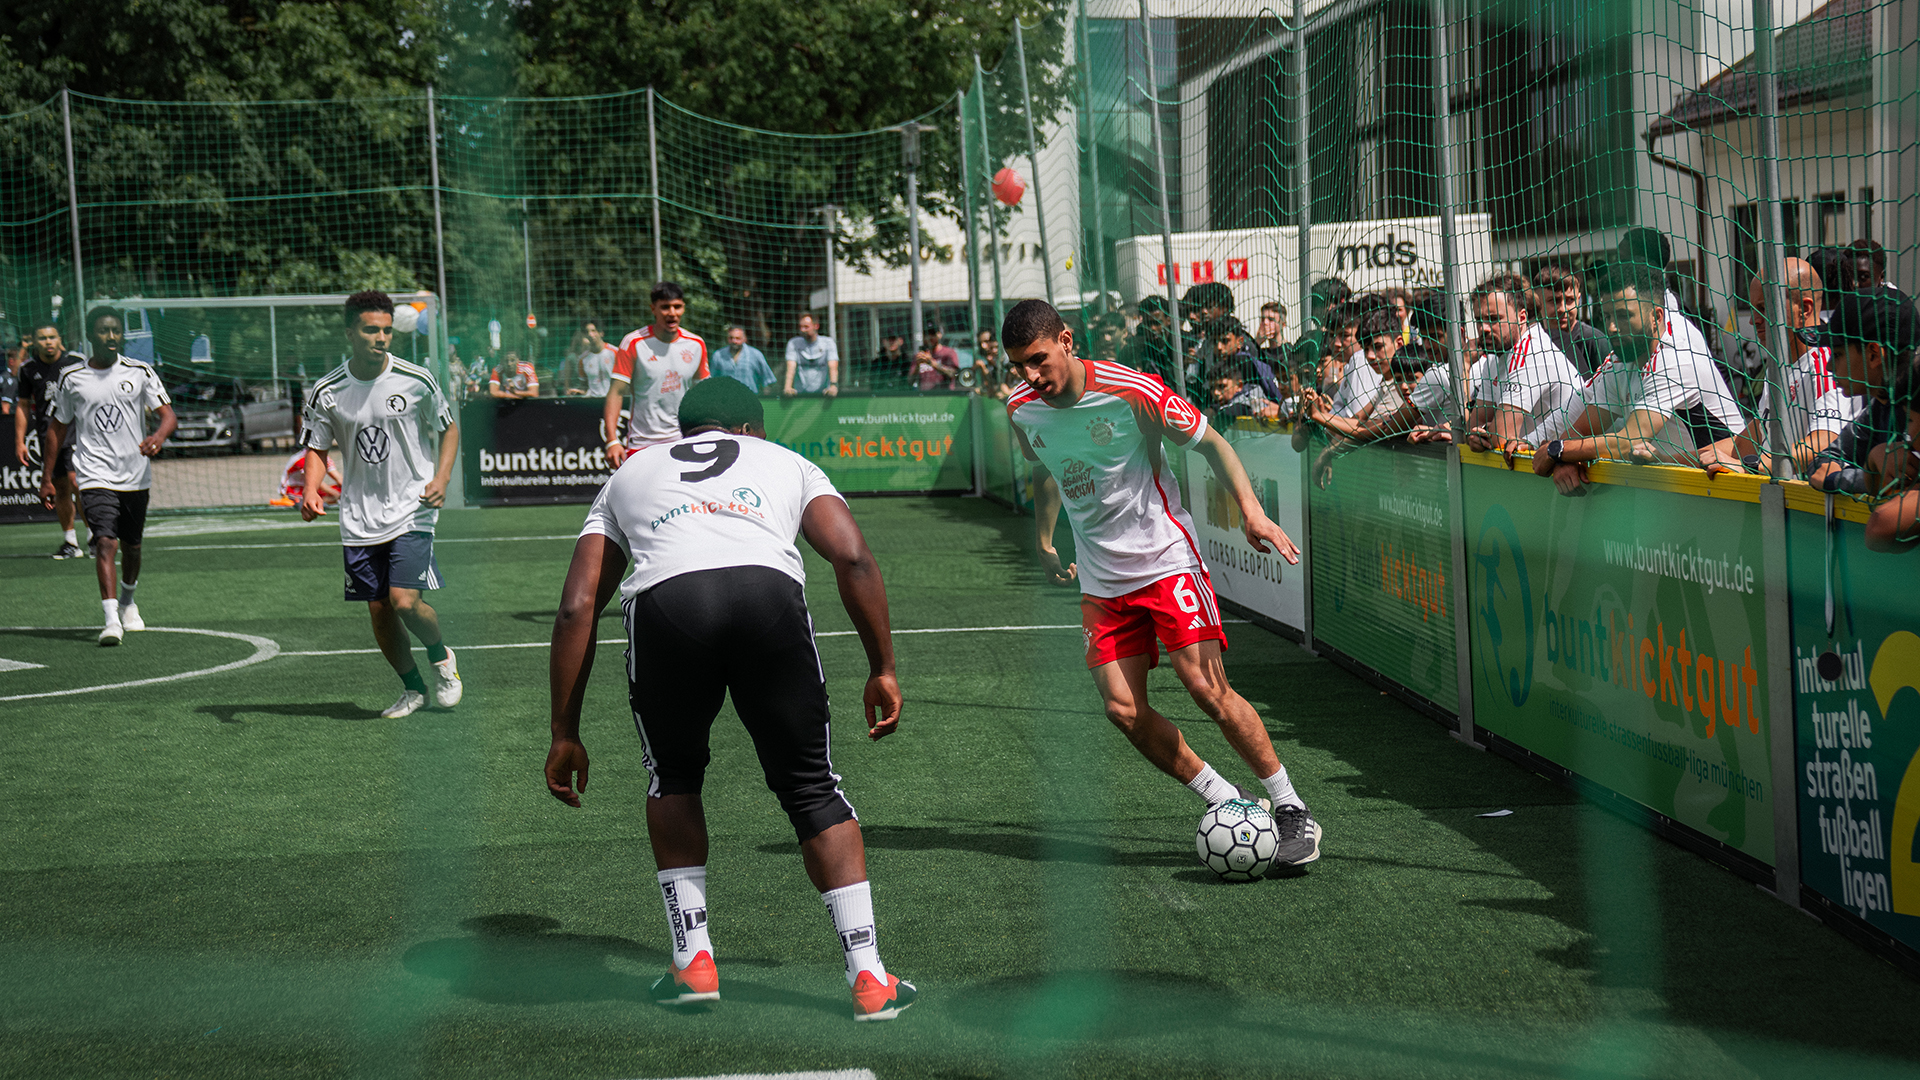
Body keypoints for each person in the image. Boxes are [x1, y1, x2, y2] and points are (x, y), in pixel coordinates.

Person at [544, 376, 916, 1021]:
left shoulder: (629, 473)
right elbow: (852, 558)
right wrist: (882, 666)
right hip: (765, 596)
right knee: (810, 788)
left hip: (667, 605)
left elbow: (578, 605)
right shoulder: (788, 461)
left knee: (675, 780)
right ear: (749, 428)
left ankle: (694, 965)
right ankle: (870, 979)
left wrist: (564, 731)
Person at [1002, 299, 1322, 868]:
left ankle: (1291, 807)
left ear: (1067, 341)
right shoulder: (1022, 409)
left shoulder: (1135, 392)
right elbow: (1045, 470)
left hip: (1166, 560)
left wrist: (1251, 511)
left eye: (1038, 360)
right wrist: (1045, 541)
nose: (1031, 376)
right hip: (1101, 583)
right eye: (1019, 367)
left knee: (1204, 687)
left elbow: (1214, 444)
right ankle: (1228, 800)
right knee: (1123, 710)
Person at [300, 291, 463, 719]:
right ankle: (413, 689)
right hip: (358, 514)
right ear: (350, 332)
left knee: (404, 601)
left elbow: (449, 430)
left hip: (413, 505)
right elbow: (317, 447)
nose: (382, 338)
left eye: (387, 330)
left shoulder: (416, 380)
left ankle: (442, 659)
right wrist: (311, 489)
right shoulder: (327, 390)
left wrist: (442, 478)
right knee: (378, 608)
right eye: (372, 330)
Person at [1531, 262, 1748, 492]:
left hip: (1727, 490)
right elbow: (1582, 428)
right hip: (1675, 490)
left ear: (1656, 316)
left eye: (1624, 316)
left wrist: (1558, 450)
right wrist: (1562, 458)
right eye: (1607, 315)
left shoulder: (1675, 360)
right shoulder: (1621, 360)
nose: (1612, 327)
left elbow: (1629, 441)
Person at [40, 308, 177, 645]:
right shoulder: (72, 378)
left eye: (116, 330)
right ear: (91, 335)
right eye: (104, 331)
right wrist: (46, 477)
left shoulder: (140, 371)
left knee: (132, 546)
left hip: (135, 473)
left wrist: (158, 437)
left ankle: (129, 602)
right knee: (105, 542)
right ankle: (111, 620)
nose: (112, 336)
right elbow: (56, 429)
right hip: (94, 473)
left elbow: (168, 415)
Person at [1703, 257, 1864, 476]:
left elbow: (1826, 440)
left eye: (1763, 307)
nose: (1753, 320)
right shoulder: (1778, 367)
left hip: (1808, 507)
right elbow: (1746, 442)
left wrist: (1754, 466)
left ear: (1804, 310)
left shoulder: (1826, 365)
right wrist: (1671, 459)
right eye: (1752, 308)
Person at [1808, 287, 1920, 496]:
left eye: (1838, 354)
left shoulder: (1914, 405)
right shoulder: (1881, 406)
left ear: (1873, 354)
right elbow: (1821, 463)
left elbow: (1898, 485)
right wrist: (1864, 472)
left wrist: (1839, 478)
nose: (1830, 366)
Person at [1461, 272, 1584, 459]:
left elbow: (1500, 438)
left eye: (1493, 319)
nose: (1483, 328)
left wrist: (1483, 433)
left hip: (1572, 463)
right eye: (1479, 320)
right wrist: (1478, 434)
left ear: (1522, 316)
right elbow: (1476, 422)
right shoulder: (1495, 355)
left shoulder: (1531, 352)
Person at [605, 282, 709, 466]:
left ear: (683, 308)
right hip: (642, 444)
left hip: (682, 441)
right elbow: (616, 392)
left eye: (677, 306)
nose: (672, 313)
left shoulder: (696, 344)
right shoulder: (633, 342)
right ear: (653, 309)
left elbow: (704, 394)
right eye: (665, 307)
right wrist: (612, 440)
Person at [15, 321, 88, 558]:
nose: (48, 342)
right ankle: (71, 543)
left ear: (59, 340)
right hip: (50, 437)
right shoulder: (28, 370)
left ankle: (96, 537)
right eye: (43, 338)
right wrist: (19, 441)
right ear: (34, 342)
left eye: (52, 337)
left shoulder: (76, 363)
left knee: (77, 483)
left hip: (77, 433)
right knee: (61, 488)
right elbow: (24, 406)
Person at [1531, 266, 1611, 378]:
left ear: (1578, 300)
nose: (1563, 308)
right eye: (1554, 300)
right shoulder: (1533, 343)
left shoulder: (1593, 341)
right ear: (1537, 303)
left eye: (1570, 300)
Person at [782, 313, 839, 397]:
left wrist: (833, 386)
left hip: (823, 395)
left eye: (806, 327)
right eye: (800, 327)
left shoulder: (828, 343)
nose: (802, 330)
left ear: (816, 326)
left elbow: (833, 366)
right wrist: (787, 387)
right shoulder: (793, 343)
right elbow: (791, 368)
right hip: (800, 395)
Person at [711, 326, 776, 394]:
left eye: (738, 338)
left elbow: (768, 381)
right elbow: (712, 381)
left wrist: (765, 400)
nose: (734, 341)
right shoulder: (718, 355)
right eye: (731, 338)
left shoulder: (756, 355)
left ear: (744, 339)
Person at [565, 321, 616, 398]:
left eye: (593, 331)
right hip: (593, 402)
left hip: (612, 401)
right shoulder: (583, 359)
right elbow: (584, 386)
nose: (590, 334)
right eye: (587, 332)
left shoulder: (615, 353)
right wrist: (579, 391)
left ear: (601, 333)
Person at [908, 325, 959, 392]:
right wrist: (917, 366)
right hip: (925, 397)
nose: (929, 338)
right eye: (927, 335)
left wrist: (932, 363)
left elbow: (954, 374)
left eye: (932, 334)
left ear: (939, 335)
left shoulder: (949, 353)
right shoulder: (920, 355)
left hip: (944, 396)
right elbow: (910, 381)